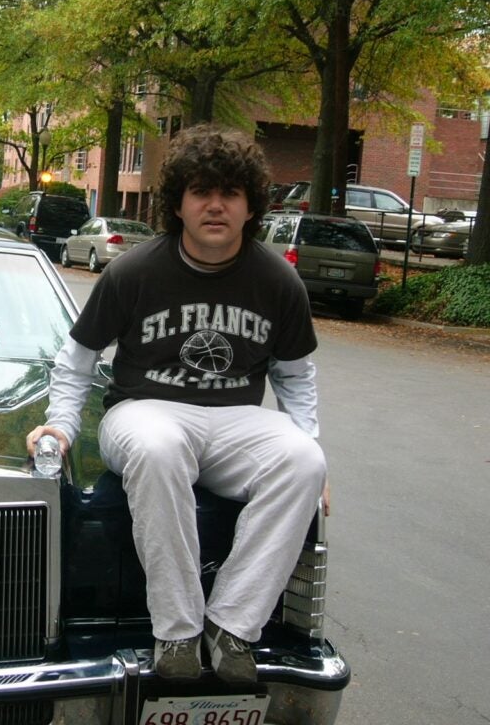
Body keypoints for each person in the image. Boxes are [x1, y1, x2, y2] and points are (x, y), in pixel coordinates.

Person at [26, 124, 327, 684]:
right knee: (159, 447)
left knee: (305, 462)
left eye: (230, 194)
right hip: (144, 410)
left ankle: (233, 625)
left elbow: (294, 376)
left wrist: (309, 442)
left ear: (250, 205)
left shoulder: (277, 280)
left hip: (237, 419)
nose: (215, 205)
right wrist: (61, 426)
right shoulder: (134, 272)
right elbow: (77, 359)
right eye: (201, 192)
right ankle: (178, 634)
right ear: (179, 204)